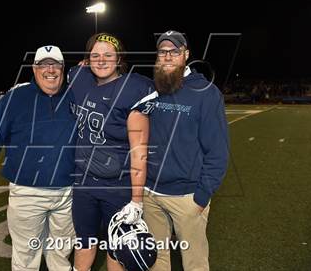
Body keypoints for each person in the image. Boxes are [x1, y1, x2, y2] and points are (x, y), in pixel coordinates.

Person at [0, 45, 77, 271]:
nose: (50, 70)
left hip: (68, 191)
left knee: (61, 252)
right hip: (28, 191)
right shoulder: (16, 97)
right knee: (26, 256)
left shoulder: (75, 95)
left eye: (55, 64)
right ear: (34, 68)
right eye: (44, 65)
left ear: (62, 67)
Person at [68, 33, 155, 271]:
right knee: (84, 240)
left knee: (116, 247)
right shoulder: (79, 78)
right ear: (87, 59)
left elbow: (139, 151)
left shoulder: (133, 89)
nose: (101, 60)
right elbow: (74, 72)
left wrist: (136, 200)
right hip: (84, 182)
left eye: (108, 55)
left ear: (119, 59)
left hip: (117, 186)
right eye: (95, 55)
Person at [142, 30, 229, 271]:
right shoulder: (152, 90)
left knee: (194, 264)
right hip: (150, 195)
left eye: (174, 51)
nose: (168, 56)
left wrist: (201, 197)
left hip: (187, 197)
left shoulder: (207, 94)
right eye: (162, 52)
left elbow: (218, 152)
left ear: (186, 54)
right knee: (156, 262)